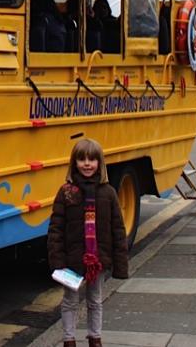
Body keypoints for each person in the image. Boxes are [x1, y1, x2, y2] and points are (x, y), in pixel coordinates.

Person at [47, 138, 130, 347]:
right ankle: (69, 340)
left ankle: (95, 338)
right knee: (70, 301)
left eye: (92, 160)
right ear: (73, 162)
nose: (86, 164)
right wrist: (57, 261)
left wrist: (120, 263)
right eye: (81, 159)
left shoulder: (108, 193)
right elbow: (56, 229)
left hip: (97, 260)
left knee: (95, 300)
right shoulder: (66, 192)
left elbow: (118, 231)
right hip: (72, 259)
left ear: (99, 163)